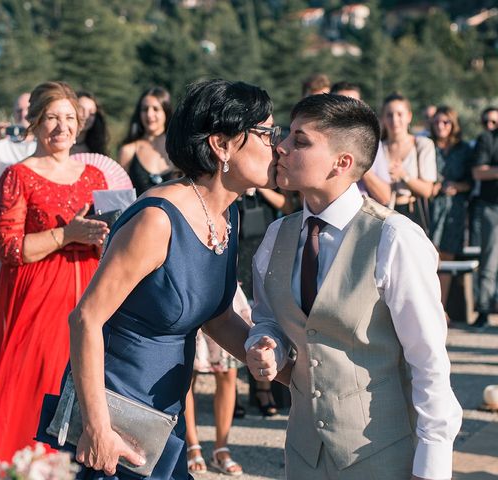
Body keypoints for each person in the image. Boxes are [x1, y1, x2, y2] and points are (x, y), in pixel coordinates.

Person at [36, 79, 290, 479]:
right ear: (221, 145)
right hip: (116, 419)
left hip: (163, 418)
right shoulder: (156, 219)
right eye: (265, 133)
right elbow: (85, 318)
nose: (277, 145)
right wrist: (97, 428)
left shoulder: (227, 215)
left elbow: (218, 316)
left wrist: (287, 372)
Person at [245, 94, 462, 480]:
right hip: (303, 456)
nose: (280, 147)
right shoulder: (277, 235)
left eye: (300, 140)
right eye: (286, 135)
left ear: (341, 163)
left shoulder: (394, 238)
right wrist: (266, 343)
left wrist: (431, 468)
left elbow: (428, 362)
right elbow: (267, 317)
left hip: (382, 456)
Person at [0, 81, 110, 464]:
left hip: (87, 293)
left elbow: (105, 242)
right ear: (34, 122)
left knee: (83, 386)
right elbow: (9, 249)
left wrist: (102, 237)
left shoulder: (93, 177)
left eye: (69, 118)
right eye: (51, 118)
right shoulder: (17, 175)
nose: (61, 127)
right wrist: (67, 234)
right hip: (37, 297)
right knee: (34, 387)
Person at [184, 286, 251, 476]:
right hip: (190, 287)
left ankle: (221, 448)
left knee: (227, 373)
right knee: (187, 374)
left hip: (223, 287)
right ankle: (192, 446)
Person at [429, 106, 473, 320]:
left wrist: (456, 186)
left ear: (453, 124)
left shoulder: (463, 149)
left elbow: (471, 182)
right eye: (437, 122)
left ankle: (440, 308)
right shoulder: (427, 146)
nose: (440, 126)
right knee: (428, 256)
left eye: (445, 122)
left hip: (453, 209)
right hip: (429, 207)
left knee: (446, 257)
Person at [381, 92, 437, 231]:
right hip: (383, 215)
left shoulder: (423, 145)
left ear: (409, 116)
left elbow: (427, 190)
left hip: (413, 213)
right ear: (383, 118)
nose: (394, 120)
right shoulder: (377, 148)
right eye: (389, 115)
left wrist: (404, 176)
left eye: (399, 114)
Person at [330, 81, 392, 205]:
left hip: (362, 215)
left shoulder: (372, 143)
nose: (349, 110)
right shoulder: (319, 142)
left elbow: (385, 197)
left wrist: (360, 159)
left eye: (354, 104)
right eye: (342, 104)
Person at [117, 87, 175, 195]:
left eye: (155, 109)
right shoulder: (128, 151)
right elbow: (120, 196)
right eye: (145, 109)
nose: (149, 114)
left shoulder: (179, 148)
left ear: (166, 112)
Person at [472, 119, 498, 330]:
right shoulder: (488, 138)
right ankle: (483, 312)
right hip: (493, 208)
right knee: (489, 263)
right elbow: (478, 172)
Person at [468, 106, 498, 247]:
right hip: (490, 205)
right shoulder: (485, 139)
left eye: (493, 122)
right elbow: (478, 172)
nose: (489, 125)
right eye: (485, 122)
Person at [71, 91, 109, 155]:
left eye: (91, 113)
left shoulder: (97, 153)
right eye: (81, 110)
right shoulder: (55, 145)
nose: (86, 116)